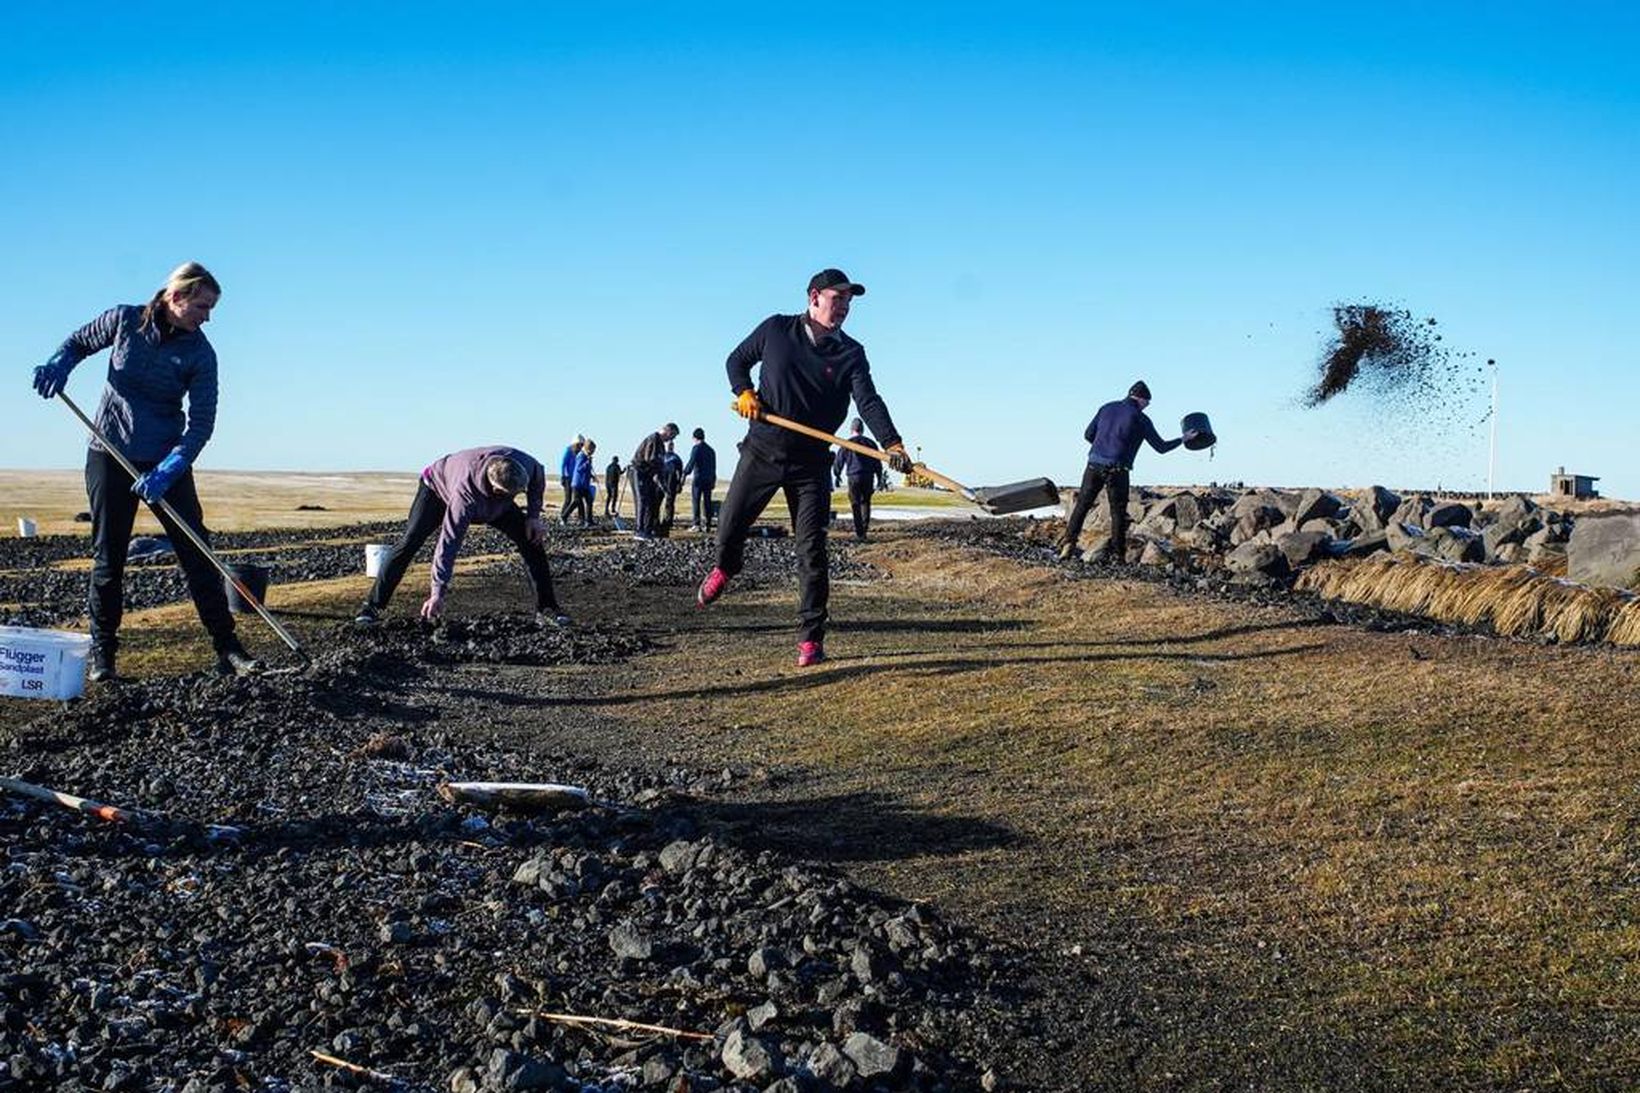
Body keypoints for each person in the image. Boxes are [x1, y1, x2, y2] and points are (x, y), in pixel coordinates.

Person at [30, 262, 261, 682]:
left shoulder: (200, 353)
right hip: (109, 452)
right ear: (176, 297)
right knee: (109, 557)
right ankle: (104, 656)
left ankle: (227, 649)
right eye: (203, 305)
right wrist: (59, 362)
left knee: (197, 552)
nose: (207, 316)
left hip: (163, 461)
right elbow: (78, 343)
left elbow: (202, 424)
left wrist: (172, 466)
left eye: (211, 309)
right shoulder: (123, 320)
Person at [696, 268, 912, 667]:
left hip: (811, 462)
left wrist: (893, 443)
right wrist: (744, 391)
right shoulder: (776, 330)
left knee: (812, 551)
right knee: (728, 527)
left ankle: (811, 639)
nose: (845, 307)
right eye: (838, 298)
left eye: (849, 301)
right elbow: (736, 361)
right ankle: (727, 567)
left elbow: (869, 401)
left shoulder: (851, 352)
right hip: (762, 450)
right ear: (814, 297)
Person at [354, 446, 569, 627]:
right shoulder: (464, 498)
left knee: (532, 541)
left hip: (492, 503)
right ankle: (372, 607)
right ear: (495, 488)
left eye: (516, 494)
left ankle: (547, 609)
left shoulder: (524, 464)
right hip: (436, 490)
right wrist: (437, 592)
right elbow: (448, 544)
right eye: (508, 495)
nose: (513, 498)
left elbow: (538, 476)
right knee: (411, 541)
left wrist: (533, 517)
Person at [1056, 381, 1192, 563]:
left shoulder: (1106, 408)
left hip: (1093, 464)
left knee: (1082, 506)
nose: (1147, 407)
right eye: (1147, 404)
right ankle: (1118, 555)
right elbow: (1161, 447)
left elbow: (1088, 435)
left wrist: (1104, 445)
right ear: (1142, 399)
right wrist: (1183, 439)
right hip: (1118, 469)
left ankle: (1069, 545)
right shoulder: (1141, 419)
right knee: (1118, 512)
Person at [832, 417, 881, 541]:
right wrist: (879, 478)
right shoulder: (871, 444)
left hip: (853, 476)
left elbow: (839, 461)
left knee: (855, 504)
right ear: (863, 429)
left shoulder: (847, 444)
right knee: (866, 503)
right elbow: (877, 462)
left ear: (851, 429)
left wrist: (837, 475)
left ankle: (859, 532)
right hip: (868, 476)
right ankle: (864, 531)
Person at [630, 424, 678, 540]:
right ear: (668, 431)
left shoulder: (661, 445)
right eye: (672, 436)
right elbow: (651, 460)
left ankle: (647, 529)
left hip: (647, 474)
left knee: (649, 501)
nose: (671, 440)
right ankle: (639, 530)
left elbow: (658, 464)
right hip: (638, 472)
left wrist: (663, 484)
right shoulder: (654, 439)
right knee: (642, 500)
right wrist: (658, 477)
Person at [682, 427, 717, 531]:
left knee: (696, 501)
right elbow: (714, 467)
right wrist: (713, 479)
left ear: (694, 438)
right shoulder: (711, 450)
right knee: (707, 502)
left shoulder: (696, 448)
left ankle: (696, 524)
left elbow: (691, 462)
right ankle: (708, 525)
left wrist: (684, 473)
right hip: (709, 479)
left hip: (698, 479)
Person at [567, 439, 597, 525]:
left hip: (584, 484)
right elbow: (579, 469)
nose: (593, 452)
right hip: (578, 484)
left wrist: (591, 476)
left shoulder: (585, 456)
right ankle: (564, 516)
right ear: (589, 448)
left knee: (589, 501)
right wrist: (588, 462)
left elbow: (586, 470)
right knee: (577, 502)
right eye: (593, 450)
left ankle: (588, 521)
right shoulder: (581, 456)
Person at [660, 440, 685, 534]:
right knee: (658, 502)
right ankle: (657, 521)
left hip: (672, 484)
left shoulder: (676, 458)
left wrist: (680, 484)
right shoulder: (661, 457)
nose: (670, 446)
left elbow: (680, 473)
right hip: (661, 483)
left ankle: (668, 521)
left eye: (671, 445)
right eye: (668, 445)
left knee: (669, 503)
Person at [558, 436, 583, 523]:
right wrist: (563, 476)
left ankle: (581, 518)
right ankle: (563, 516)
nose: (580, 447)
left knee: (577, 499)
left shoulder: (578, 453)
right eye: (580, 445)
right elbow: (563, 464)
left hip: (575, 478)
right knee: (568, 499)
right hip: (567, 477)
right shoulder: (568, 450)